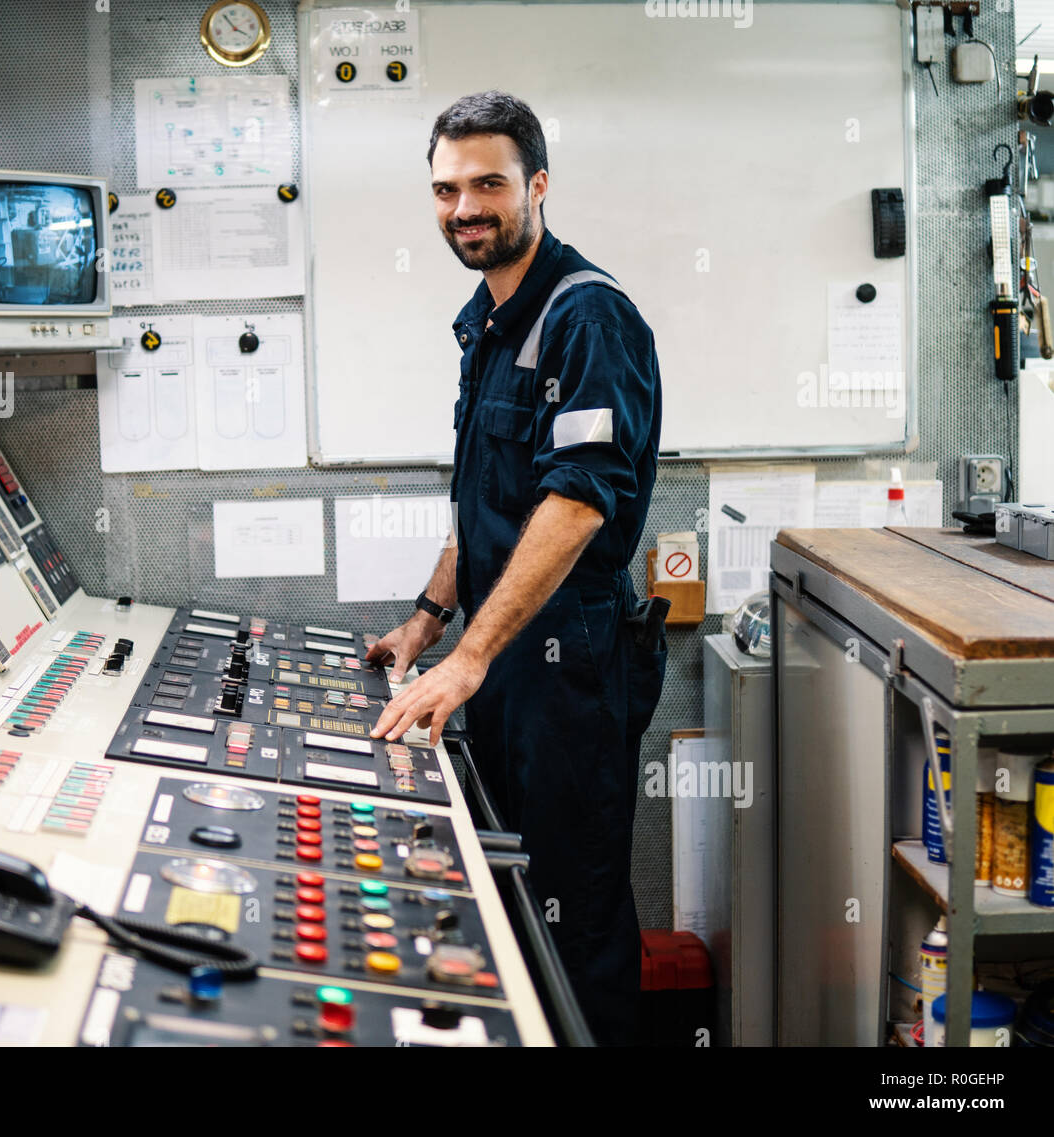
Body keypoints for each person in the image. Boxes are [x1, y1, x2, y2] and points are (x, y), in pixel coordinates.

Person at [368, 90, 667, 1045]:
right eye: (446, 190)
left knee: (572, 916)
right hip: (501, 660)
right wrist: (428, 621)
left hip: (567, 666)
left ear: (537, 185)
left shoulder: (589, 318)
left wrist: (470, 657)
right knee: (512, 908)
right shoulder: (487, 322)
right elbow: (489, 503)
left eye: (488, 183)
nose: (465, 208)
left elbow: (574, 505)